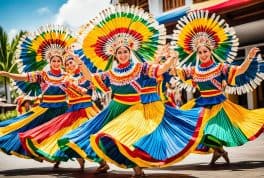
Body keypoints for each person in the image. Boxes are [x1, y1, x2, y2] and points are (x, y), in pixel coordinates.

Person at [57, 4, 170, 175]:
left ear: (130, 51)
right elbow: (91, 79)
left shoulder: (140, 67)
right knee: (95, 134)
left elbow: (160, 70)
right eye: (120, 53)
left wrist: (171, 59)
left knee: (127, 137)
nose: (123, 54)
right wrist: (79, 62)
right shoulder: (111, 73)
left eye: (125, 51)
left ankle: (137, 169)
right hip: (114, 108)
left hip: (135, 109)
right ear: (115, 55)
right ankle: (120, 166)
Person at [171, 10, 264, 166]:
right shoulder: (194, 71)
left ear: (211, 51)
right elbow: (176, 72)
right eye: (200, 52)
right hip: (201, 105)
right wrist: (171, 59)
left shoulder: (220, 68)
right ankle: (219, 152)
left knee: (210, 131)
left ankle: (219, 151)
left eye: (205, 51)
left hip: (219, 106)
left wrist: (249, 58)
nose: (203, 54)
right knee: (195, 131)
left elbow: (239, 70)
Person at [0, 25, 75, 159]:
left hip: (63, 109)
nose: (56, 63)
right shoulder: (42, 75)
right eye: (54, 61)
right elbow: (23, 77)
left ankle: (58, 156)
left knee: (63, 134)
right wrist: (7, 74)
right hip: (45, 109)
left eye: (58, 61)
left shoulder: (66, 76)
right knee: (27, 128)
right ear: (49, 62)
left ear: (62, 62)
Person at [19, 51, 100, 170]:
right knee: (70, 137)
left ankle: (102, 163)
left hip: (87, 110)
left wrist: (77, 60)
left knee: (89, 135)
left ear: (76, 63)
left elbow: (88, 76)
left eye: (71, 62)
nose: (70, 65)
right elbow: (51, 90)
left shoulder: (85, 75)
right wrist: (33, 98)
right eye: (67, 64)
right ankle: (80, 162)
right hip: (72, 111)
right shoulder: (66, 79)